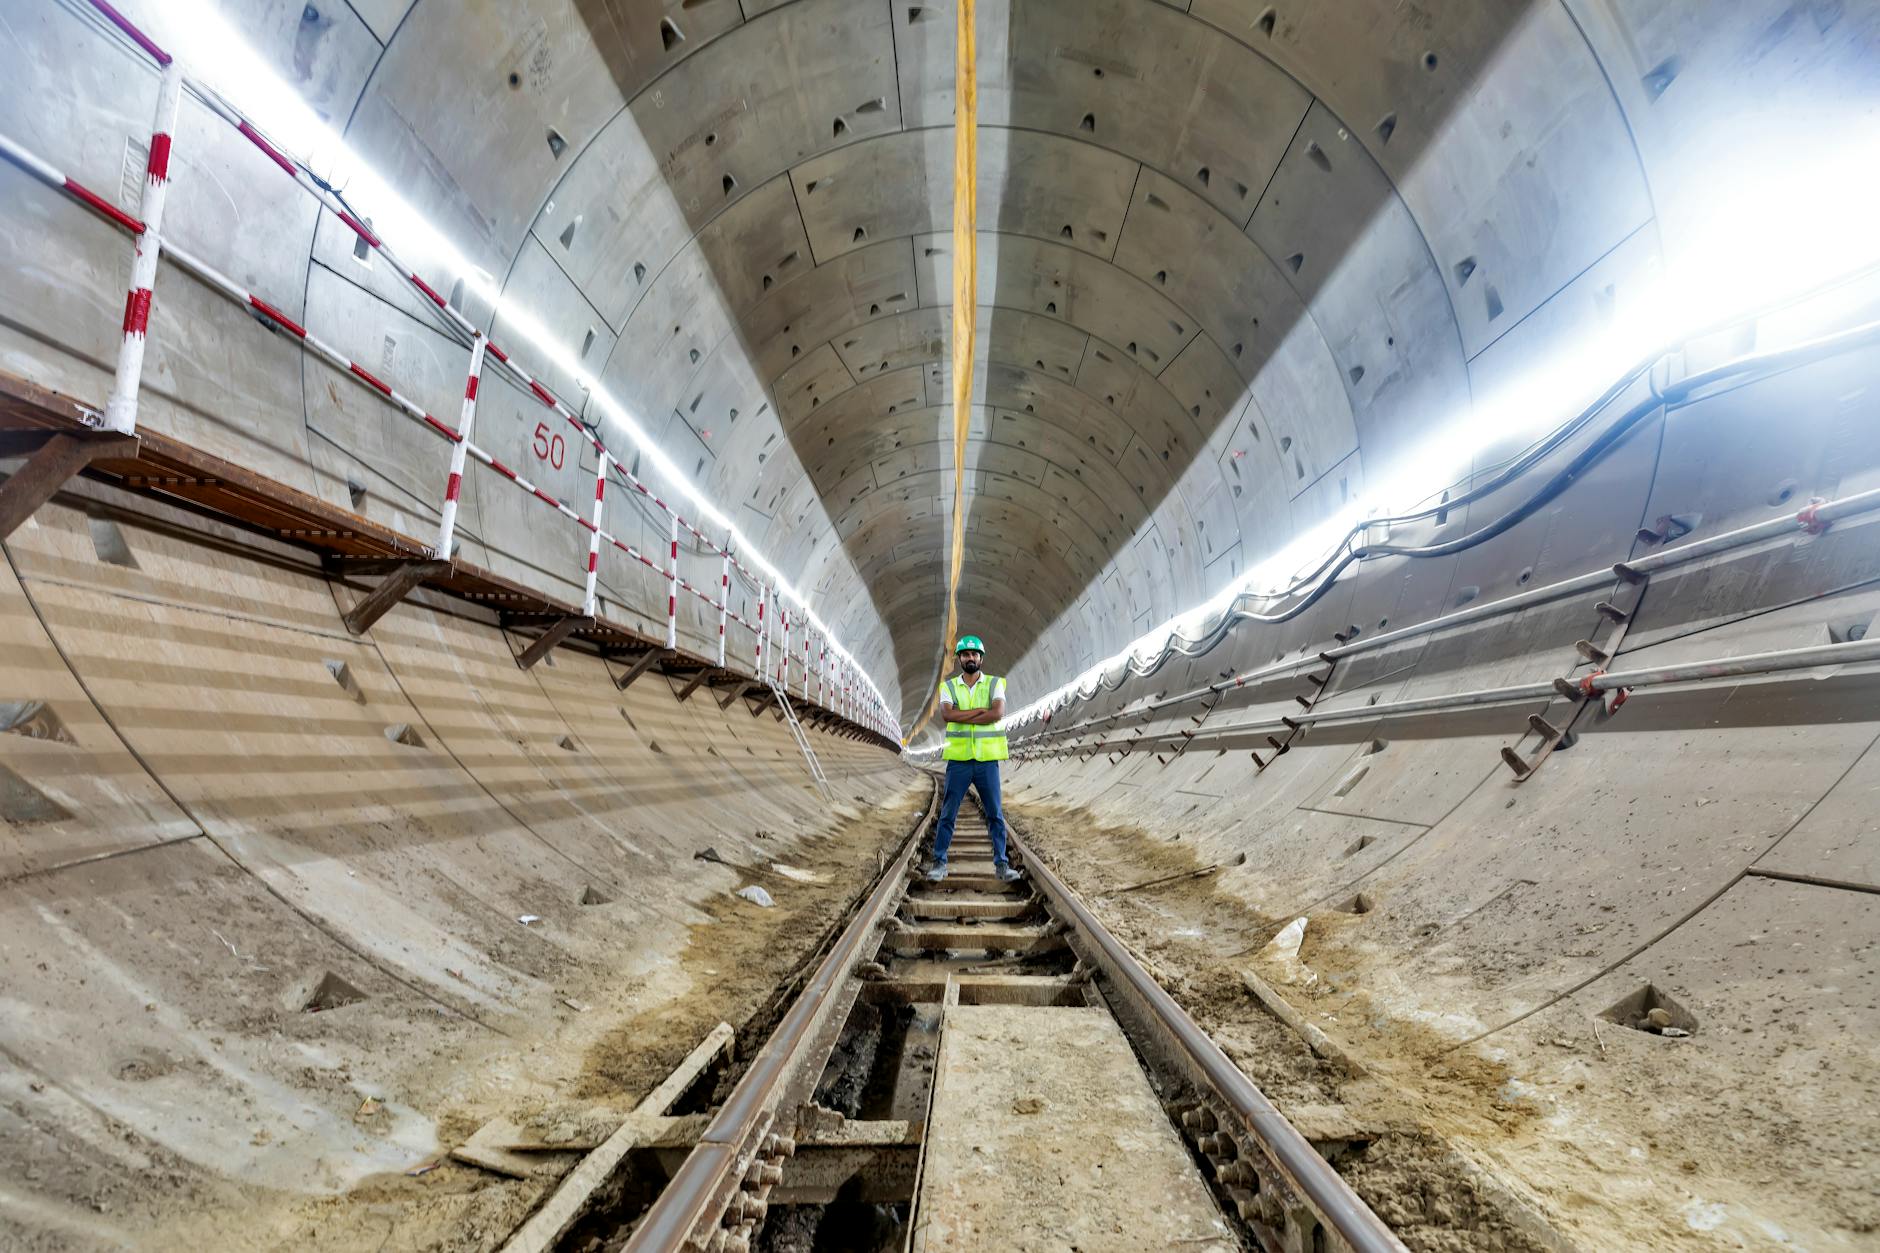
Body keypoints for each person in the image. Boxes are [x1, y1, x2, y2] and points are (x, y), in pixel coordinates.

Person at [929, 635, 1021, 883]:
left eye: (974, 654)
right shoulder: (948, 687)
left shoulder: (995, 684)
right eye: (965, 654)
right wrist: (982, 712)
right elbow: (948, 715)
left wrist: (964, 715)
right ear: (959, 658)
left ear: (981, 658)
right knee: (948, 813)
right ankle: (939, 863)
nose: (970, 658)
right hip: (959, 761)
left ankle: (1002, 865)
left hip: (987, 761)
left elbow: (997, 713)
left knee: (995, 814)